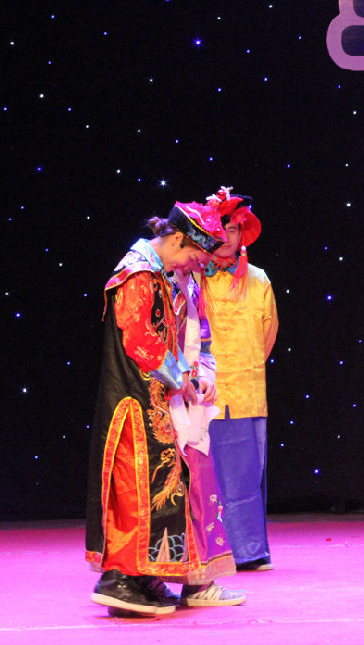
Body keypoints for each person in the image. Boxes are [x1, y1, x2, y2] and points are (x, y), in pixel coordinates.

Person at [86, 201, 229, 616]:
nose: (195, 264)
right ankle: (119, 577)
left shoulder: (157, 275)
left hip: (150, 397)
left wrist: (187, 376)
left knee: (156, 485)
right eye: (194, 255)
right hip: (131, 400)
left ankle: (142, 575)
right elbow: (139, 338)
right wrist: (180, 376)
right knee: (135, 485)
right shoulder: (138, 273)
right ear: (178, 238)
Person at [200, 187, 278, 572]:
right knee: (204, 472)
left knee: (246, 474)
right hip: (202, 392)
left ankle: (248, 550)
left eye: (233, 229)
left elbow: (268, 333)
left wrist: (244, 368)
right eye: (220, 229)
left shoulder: (259, 279)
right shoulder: (193, 278)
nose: (226, 236)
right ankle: (206, 550)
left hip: (246, 390)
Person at [167, 263, 246, 606]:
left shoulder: (194, 287)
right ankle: (160, 578)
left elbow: (205, 345)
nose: (207, 260)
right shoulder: (162, 283)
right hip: (167, 403)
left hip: (192, 404)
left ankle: (199, 582)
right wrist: (180, 379)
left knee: (201, 487)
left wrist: (207, 379)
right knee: (176, 492)